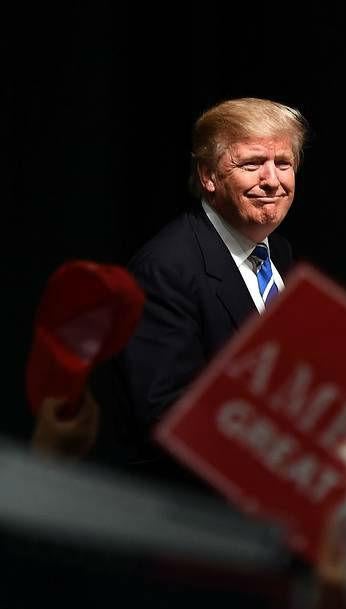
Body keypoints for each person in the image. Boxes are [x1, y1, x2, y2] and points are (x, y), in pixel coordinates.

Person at [106, 97, 308, 482]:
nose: (272, 180)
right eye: (252, 164)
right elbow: (168, 417)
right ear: (208, 176)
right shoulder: (165, 269)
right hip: (203, 515)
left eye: (283, 164)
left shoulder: (277, 252)